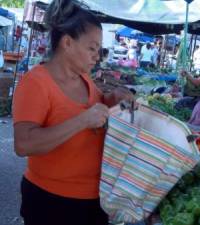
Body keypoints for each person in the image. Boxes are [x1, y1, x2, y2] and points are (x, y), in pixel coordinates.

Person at [12, 1, 134, 225]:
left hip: (95, 198)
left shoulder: (83, 78)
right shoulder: (36, 83)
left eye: (99, 50)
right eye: (92, 48)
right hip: (51, 201)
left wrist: (113, 98)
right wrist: (82, 121)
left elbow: (97, 104)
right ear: (67, 42)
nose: (97, 56)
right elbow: (24, 144)